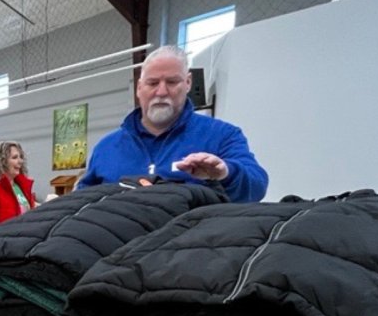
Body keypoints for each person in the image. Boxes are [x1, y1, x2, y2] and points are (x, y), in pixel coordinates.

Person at [78, 45, 268, 203]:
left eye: (172, 82)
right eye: (153, 83)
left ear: (188, 83)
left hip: (192, 237)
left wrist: (226, 173)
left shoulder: (222, 135)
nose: (161, 92)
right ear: (139, 87)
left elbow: (257, 187)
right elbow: (81, 199)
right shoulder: (106, 147)